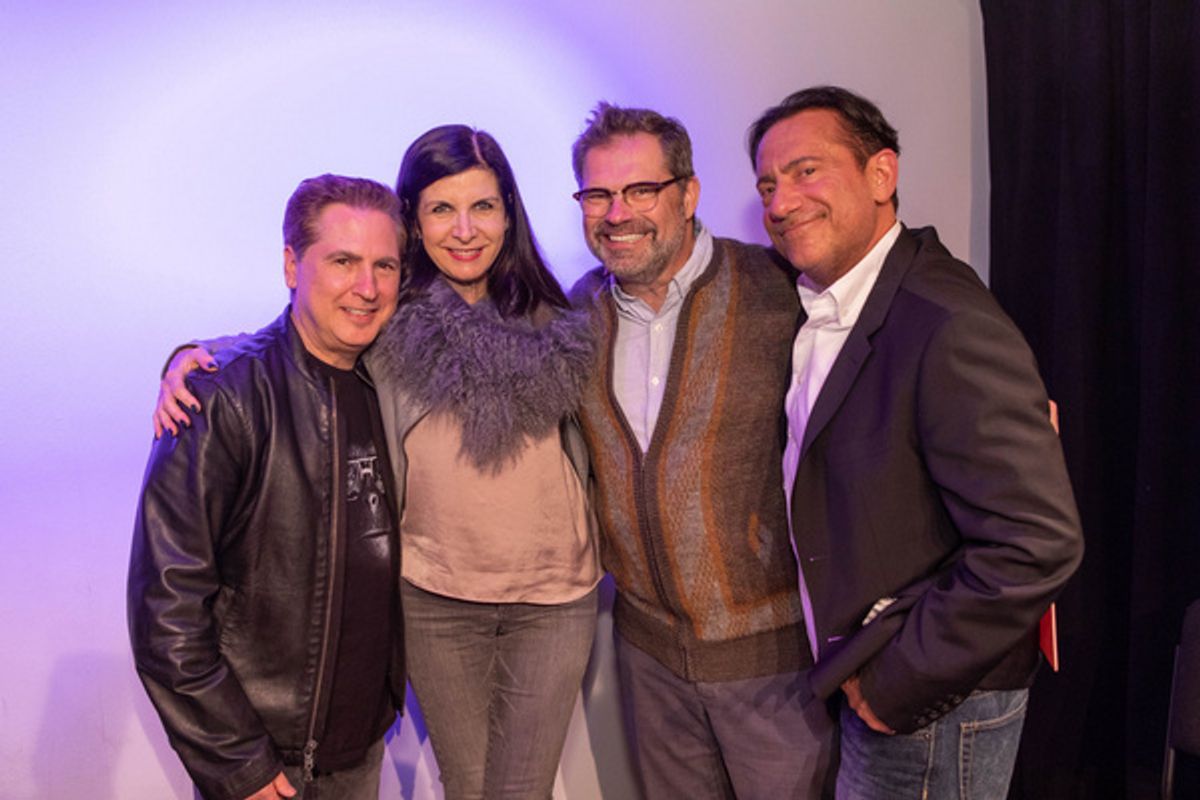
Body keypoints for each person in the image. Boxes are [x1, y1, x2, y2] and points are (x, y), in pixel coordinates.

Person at [154, 126, 601, 800]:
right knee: (471, 784)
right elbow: (295, 339)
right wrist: (191, 358)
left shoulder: (566, 317)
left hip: (556, 599)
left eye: (483, 206)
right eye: (441, 209)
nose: (465, 229)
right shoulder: (389, 323)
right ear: (415, 225)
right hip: (436, 599)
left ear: (510, 212)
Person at [747, 85, 1084, 798]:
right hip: (883, 678)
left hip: (936, 703)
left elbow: (1037, 542)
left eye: (807, 171)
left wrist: (897, 685)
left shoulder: (944, 321)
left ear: (881, 175)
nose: (780, 202)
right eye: (768, 183)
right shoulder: (837, 302)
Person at [567, 102, 835, 799]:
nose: (617, 213)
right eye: (598, 194)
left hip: (776, 664)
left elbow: (889, 359)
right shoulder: (577, 315)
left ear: (687, 194)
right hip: (648, 661)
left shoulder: (781, 290)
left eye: (640, 190)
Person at [129, 174, 407, 800]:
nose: (367, 288)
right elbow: (165, 609)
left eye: (384, 265)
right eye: (343, 262)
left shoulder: (391, 387)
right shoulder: (221, 399)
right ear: (291, 264)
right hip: (265, 765)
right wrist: (238, 765)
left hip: (360, 751)